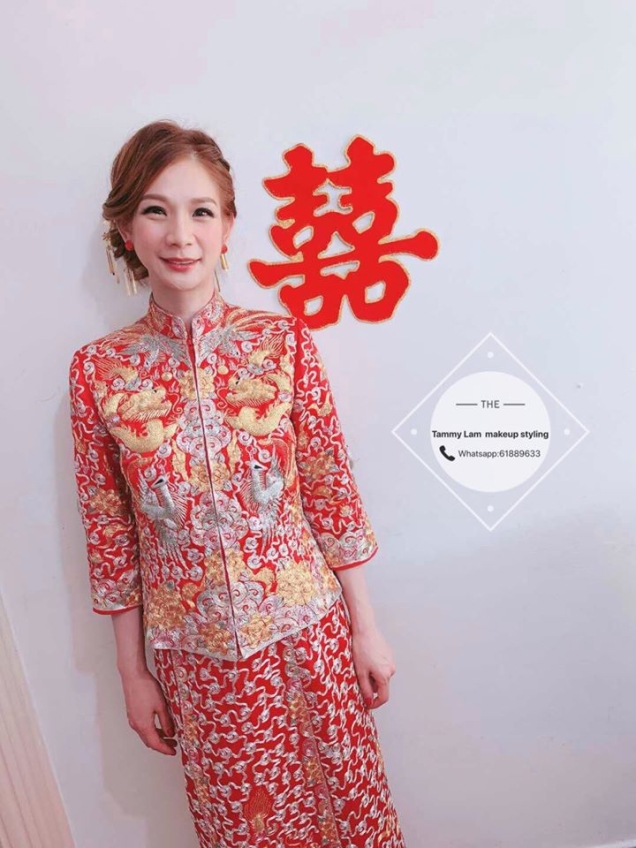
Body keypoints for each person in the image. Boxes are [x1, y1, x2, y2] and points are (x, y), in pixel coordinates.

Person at [68, 119, 406, 848]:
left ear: (226, 226)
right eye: (155, 210)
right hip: (198, 663)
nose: (180, 235)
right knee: (243, 832)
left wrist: (366, 629)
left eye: (201, 211)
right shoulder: (98, 371)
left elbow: (331, 491)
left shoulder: (281, 344)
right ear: (125, 228)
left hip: (310, 636)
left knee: (352, 820)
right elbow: (109, 534)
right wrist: (132, 674)